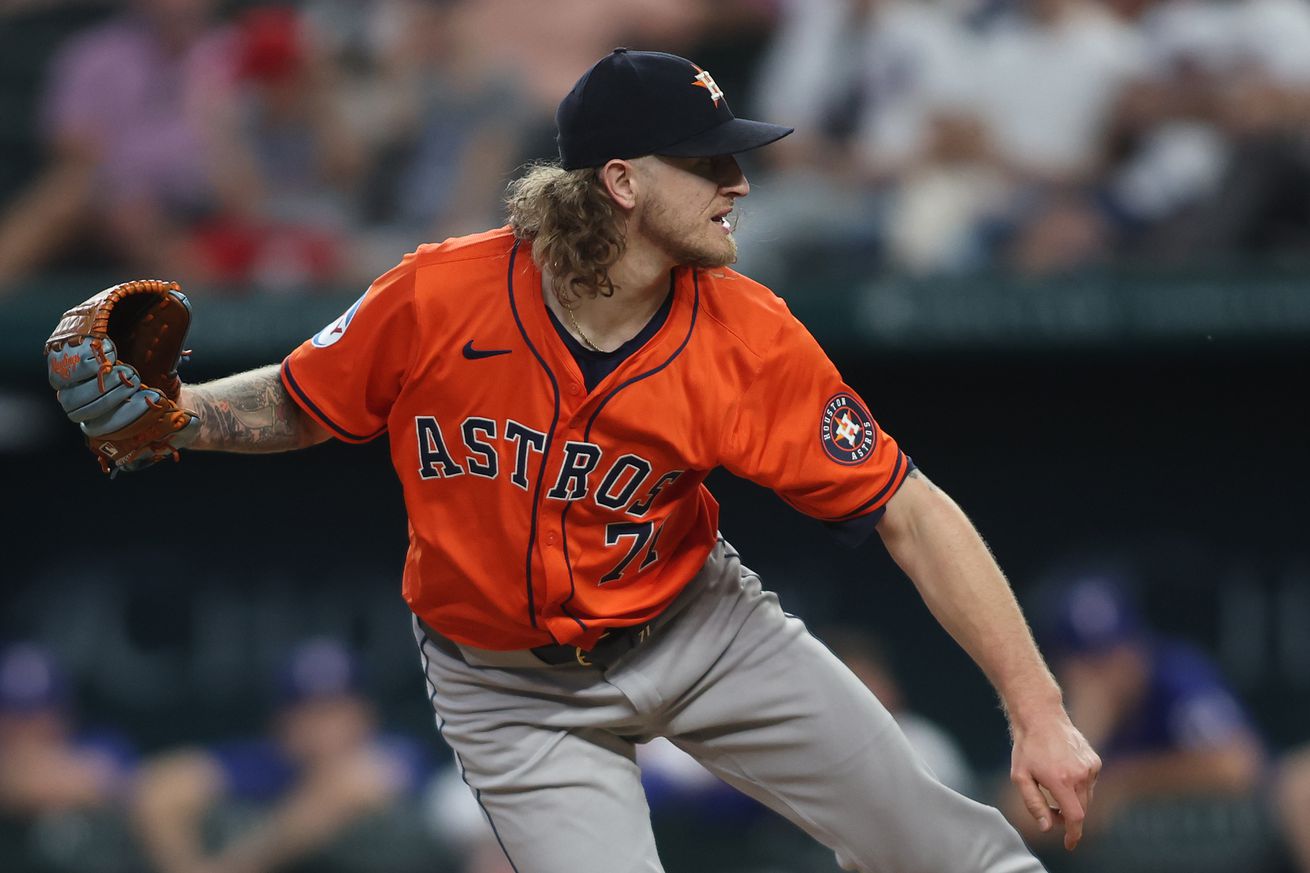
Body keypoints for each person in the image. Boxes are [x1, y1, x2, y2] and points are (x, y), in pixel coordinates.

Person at [49, 49, 1099, 873]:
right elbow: (301, 398)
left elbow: (910, 511)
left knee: (955, 858)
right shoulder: (440, 292)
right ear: (622, 182)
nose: (738, 181)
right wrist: (176, 415)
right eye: (710, 162)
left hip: (702, 630)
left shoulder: (747, 333)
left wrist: (1039, 715)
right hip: (508, 693)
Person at [1005, 572, 1264, 845]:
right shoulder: (1055, 706)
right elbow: (1019, 813)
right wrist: (1084, 730)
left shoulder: (1175, 676)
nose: (1107, 672)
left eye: (1113, 652)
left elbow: (1238, 766)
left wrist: (1127, 781)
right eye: (1088, 661)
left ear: (1137, 646)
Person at [131, 638, 429, 873]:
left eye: (335, 710)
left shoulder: (395, 751)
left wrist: (239, 865)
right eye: (306, 712)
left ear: (367, 714)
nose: (322, 728)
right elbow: (163, 786)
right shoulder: (272, 761)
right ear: (279, 722)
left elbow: (346, 789)